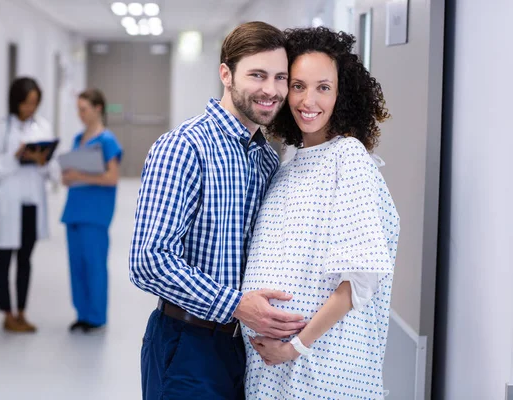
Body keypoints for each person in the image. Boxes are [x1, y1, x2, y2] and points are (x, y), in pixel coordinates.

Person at [129, 21, 308, 400]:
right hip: (187, 346)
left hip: (245, 348)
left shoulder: (265, 160)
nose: (271, 90)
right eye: (257, 75)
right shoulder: (183, 147)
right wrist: (237, 305)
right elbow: (148, 261)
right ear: (226, 74)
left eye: (280, 78)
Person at [241, 27, 400, 399]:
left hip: (321, 369)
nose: (307, 100)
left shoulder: (349, 158)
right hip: (275, 370)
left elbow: (358, 279)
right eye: (297, 86)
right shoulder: (290, 163)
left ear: (342, 95)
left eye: (323, 87)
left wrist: (295, 346)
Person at [0, 77, 58, 333]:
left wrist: (42, 160)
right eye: (26, 103)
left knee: (25, 259)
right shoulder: (2, 129)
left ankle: (22, 312)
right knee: (4, 258)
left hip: (31, 202)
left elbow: (52, 168)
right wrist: (14, 158)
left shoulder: (43, 127)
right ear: (16, 102)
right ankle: (7, 313)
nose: (30, 108)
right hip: (9, 201)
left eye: (35, 103)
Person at [60, 88, 123, 333]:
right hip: (74, 210)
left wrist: (81, 175)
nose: (80, 114)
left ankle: (96, 317)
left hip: (95, 213)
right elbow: (70, 176)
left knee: (94, 264)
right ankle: (82, 313)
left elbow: (112, 177)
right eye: (78, 109)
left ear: (98, 109)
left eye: (84, 109)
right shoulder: (78, 139)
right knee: (77, 265)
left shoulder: (107, 141)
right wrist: (69, 177)